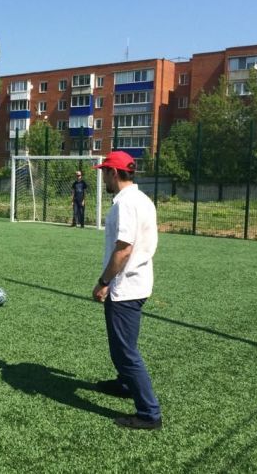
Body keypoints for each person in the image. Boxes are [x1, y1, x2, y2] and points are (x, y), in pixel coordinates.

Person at [91, 150, 162, 430]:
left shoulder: (125, 204)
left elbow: (124, 249)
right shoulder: (142, 199)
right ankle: (124, 384)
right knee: (125, 348)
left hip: (125, 287)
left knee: (124, 352)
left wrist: (104, 282)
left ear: (115, 173)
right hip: (139, 283)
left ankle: (149, 413)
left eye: (105, 172)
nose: (103, 177)